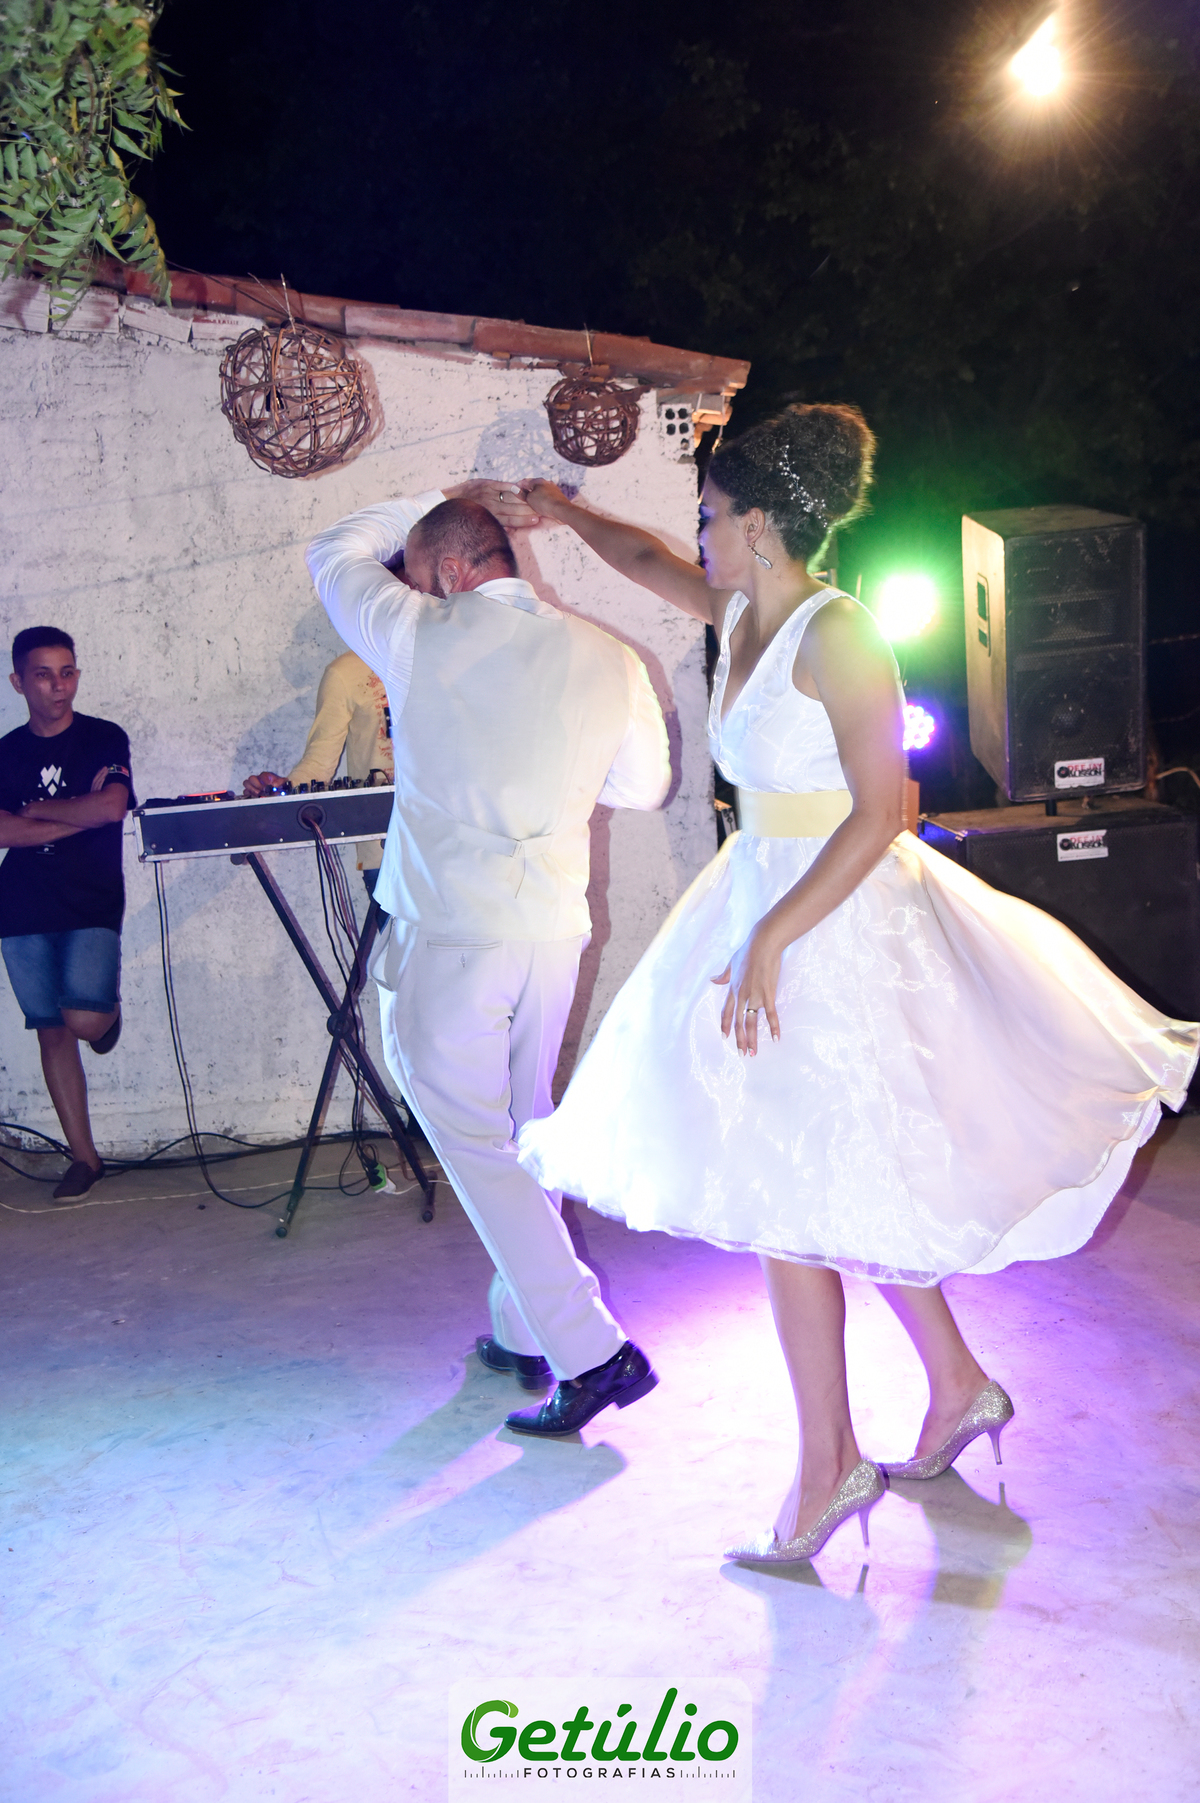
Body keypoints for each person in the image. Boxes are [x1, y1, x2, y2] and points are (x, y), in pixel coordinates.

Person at [515, 404, 1199, 1563]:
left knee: (792, 1193)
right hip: (761, 901)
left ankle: (829, 1467)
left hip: (833, 919)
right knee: (830, 1177)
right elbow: (641, 558)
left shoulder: (842, 635)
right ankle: (957, 1384)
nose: (698, 533)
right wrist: (558, 512)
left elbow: (884, 812)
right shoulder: (740, 609)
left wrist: (774, 937)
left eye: (711, 515)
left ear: (761, 525)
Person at [305, 479, 672, 1435]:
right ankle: (524, 1327)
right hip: (551, 927)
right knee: (525, 1126)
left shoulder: (418, 631)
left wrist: (436, 496)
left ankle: (593, 1351)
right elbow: (645, 786)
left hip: (453, 929)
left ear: (448, 571)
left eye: (421, 572)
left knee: (475, 1143)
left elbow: (330, 552)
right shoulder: (608, 653)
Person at [0, 628, 134, 1200]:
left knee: (82, 1021)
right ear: (18, 682)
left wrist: (37, 810)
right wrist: (77, 814)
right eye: (44, 674)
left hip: (90, 897)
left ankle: (106, 1018)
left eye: (68, 672)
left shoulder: (103, 737)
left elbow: (112, 807)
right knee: (50, 1030)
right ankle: (85, 1159)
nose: (59, 686)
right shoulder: (6, 751)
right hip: (21, 904)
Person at [242, 649, 393, 897]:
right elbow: (320, 763)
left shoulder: (454, 657)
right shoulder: (345, 671)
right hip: (388, 855)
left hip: (460, 846)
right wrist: (283, 789)